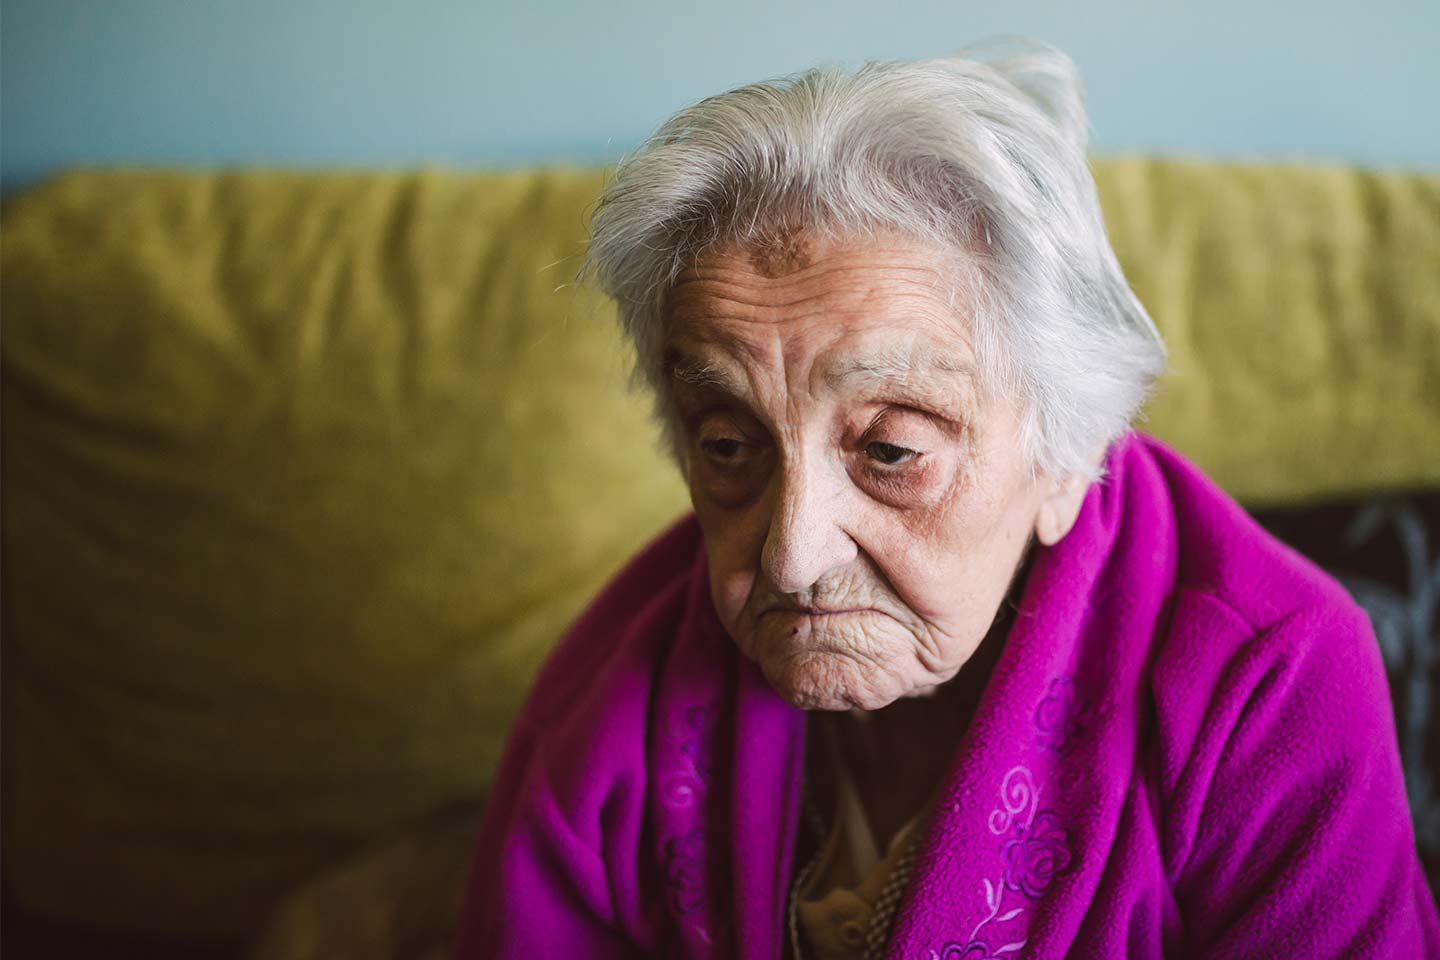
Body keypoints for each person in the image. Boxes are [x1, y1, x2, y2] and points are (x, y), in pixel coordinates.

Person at [452, 40, 1440, 958]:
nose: (792, 556)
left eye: (889, 450)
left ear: (1065, 455)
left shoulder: (1270, 680)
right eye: (727, 445)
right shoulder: (610, 696)